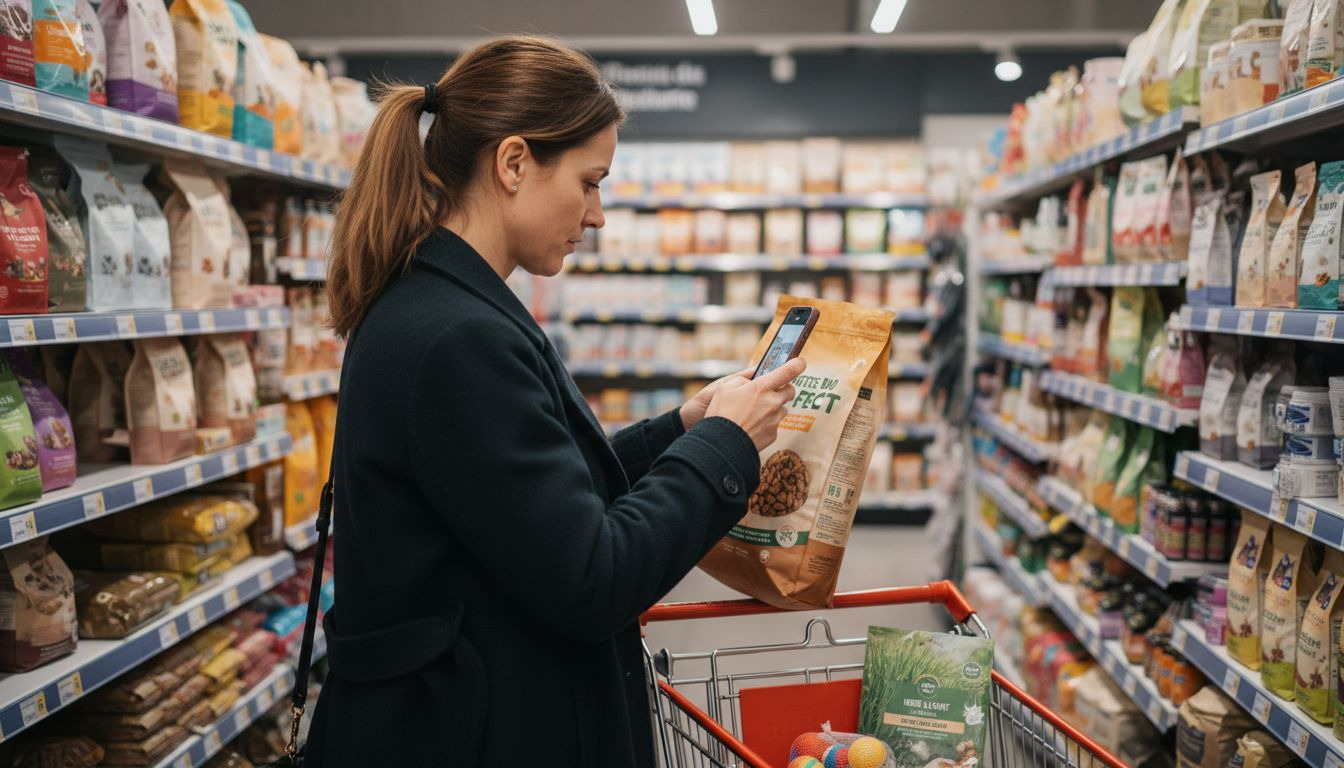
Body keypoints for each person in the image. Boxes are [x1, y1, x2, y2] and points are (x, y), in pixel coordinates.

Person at [306, 35, 805, 766]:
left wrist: (683, 428)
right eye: (589, 181)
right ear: (514, 164)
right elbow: (592, 576)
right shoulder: (455, 338)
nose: (597, 214)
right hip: (467, 732)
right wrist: (723, 448)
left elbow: (529, 501)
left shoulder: (443, 306)